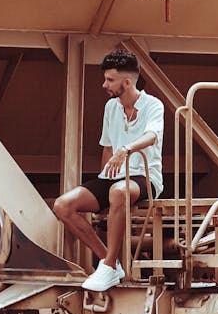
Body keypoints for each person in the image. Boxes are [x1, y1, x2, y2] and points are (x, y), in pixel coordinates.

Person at [53, 50, 164, 291]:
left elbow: (152, 135)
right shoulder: (111, 107)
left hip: (144, 176)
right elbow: (107, 147)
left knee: (117, 191)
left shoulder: (152, 105)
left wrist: (126, 149)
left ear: (127, 82)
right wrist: (105, 174)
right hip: (114, 178)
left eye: (110, 80)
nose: (104, 84)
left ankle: (110, 263)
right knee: (63, 205)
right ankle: (109, 265)